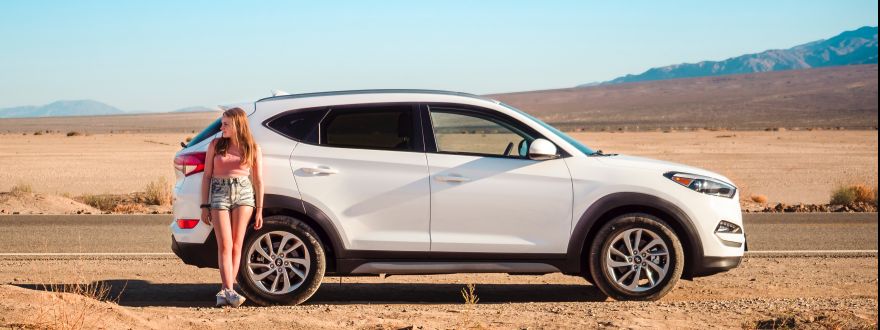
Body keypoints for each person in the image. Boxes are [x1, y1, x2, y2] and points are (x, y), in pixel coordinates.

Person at [199, 107, 264, 307]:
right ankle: (228, 290)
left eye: (226, 124)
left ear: (237, 124)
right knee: (225, 245)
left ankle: (227, 291)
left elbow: (258, 180)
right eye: (222, 123)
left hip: (244, 194)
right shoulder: (216, 145)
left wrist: (260, 209)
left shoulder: (252, 147)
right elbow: (207, 176)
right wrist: (204, 205)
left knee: (237, 244)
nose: (222, 127)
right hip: (219, 193)